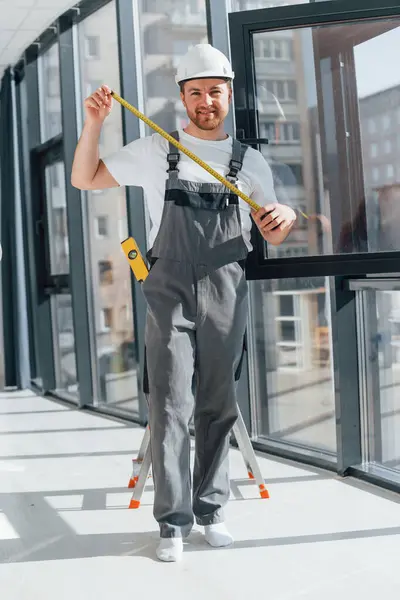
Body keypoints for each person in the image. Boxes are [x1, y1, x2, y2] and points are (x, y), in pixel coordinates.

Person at [71, 43, 296, 562]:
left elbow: (275, 232)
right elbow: (85, 178)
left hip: (227, 288)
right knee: (169, 402)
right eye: (195, 92)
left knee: (218, 402)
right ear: (182, 97)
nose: (205, 101)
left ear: (228, 94)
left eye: (214, 91)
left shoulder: (249, 162)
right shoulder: (155, 150)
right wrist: (95, 123)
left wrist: (282, 214)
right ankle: (172, 523)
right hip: (168, 289)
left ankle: (212, 510)